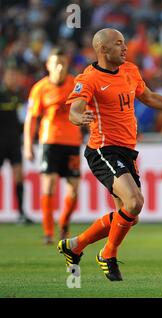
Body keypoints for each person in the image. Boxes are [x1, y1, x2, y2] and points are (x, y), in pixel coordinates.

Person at [58, 28, 162, 281]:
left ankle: (76, 245)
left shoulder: (130, 70)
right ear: (103, 50)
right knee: (135, 203)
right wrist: (81, 117)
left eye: (124, 43)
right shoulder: (89, 78)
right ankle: (107, 254)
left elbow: (149, 97)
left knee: (128, 217)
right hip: (103, 149)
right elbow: (74, 110)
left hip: (127, 150)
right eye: (118, 44)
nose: (125, 48)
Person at [24, 48, 82, 244]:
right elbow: (31, 119)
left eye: (63, 63)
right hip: (49, 141)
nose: (59, 67)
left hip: (72, 142)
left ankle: (64, 223)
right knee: (48, 187)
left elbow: (88, 109)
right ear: (47, 65)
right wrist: (27, 144)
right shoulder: (39, 88)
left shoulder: (76, 85)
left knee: (73, 189)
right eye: (56, 63)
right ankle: (48, 232)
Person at [0, 65, 33, 225]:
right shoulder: (1, 94)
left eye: (16, 76)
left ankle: (21, 213)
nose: (14, 79)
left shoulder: (18, 96)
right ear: (5, 77)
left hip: (14, 143)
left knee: (19, 176)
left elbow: (23, 120)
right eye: (11, 76)